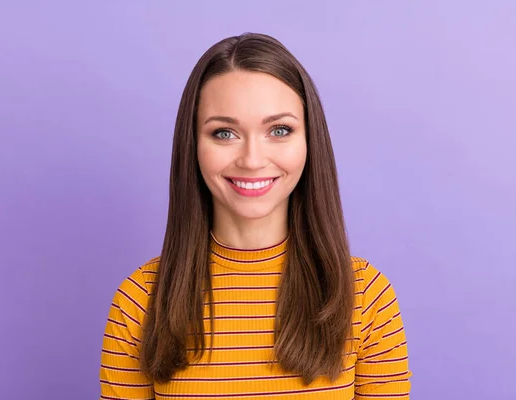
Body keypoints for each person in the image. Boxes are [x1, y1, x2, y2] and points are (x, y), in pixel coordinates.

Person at [99, 32, 411, 399]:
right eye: (225, 132)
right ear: (193, 146)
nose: (251, 160)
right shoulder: (140, 300)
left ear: (309, 141)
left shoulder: (366, 296)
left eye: (279, 130)